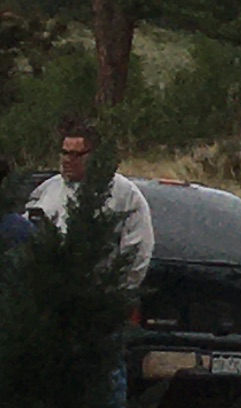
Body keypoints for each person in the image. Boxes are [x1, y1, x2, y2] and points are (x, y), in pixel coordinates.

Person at [22, 115, 156, 290]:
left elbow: (138, 250)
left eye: (76, 155)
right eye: (64, 152)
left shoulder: (124, 195)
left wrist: (117, 291)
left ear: (93, 156)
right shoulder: (48, 189)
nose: (67, 159)